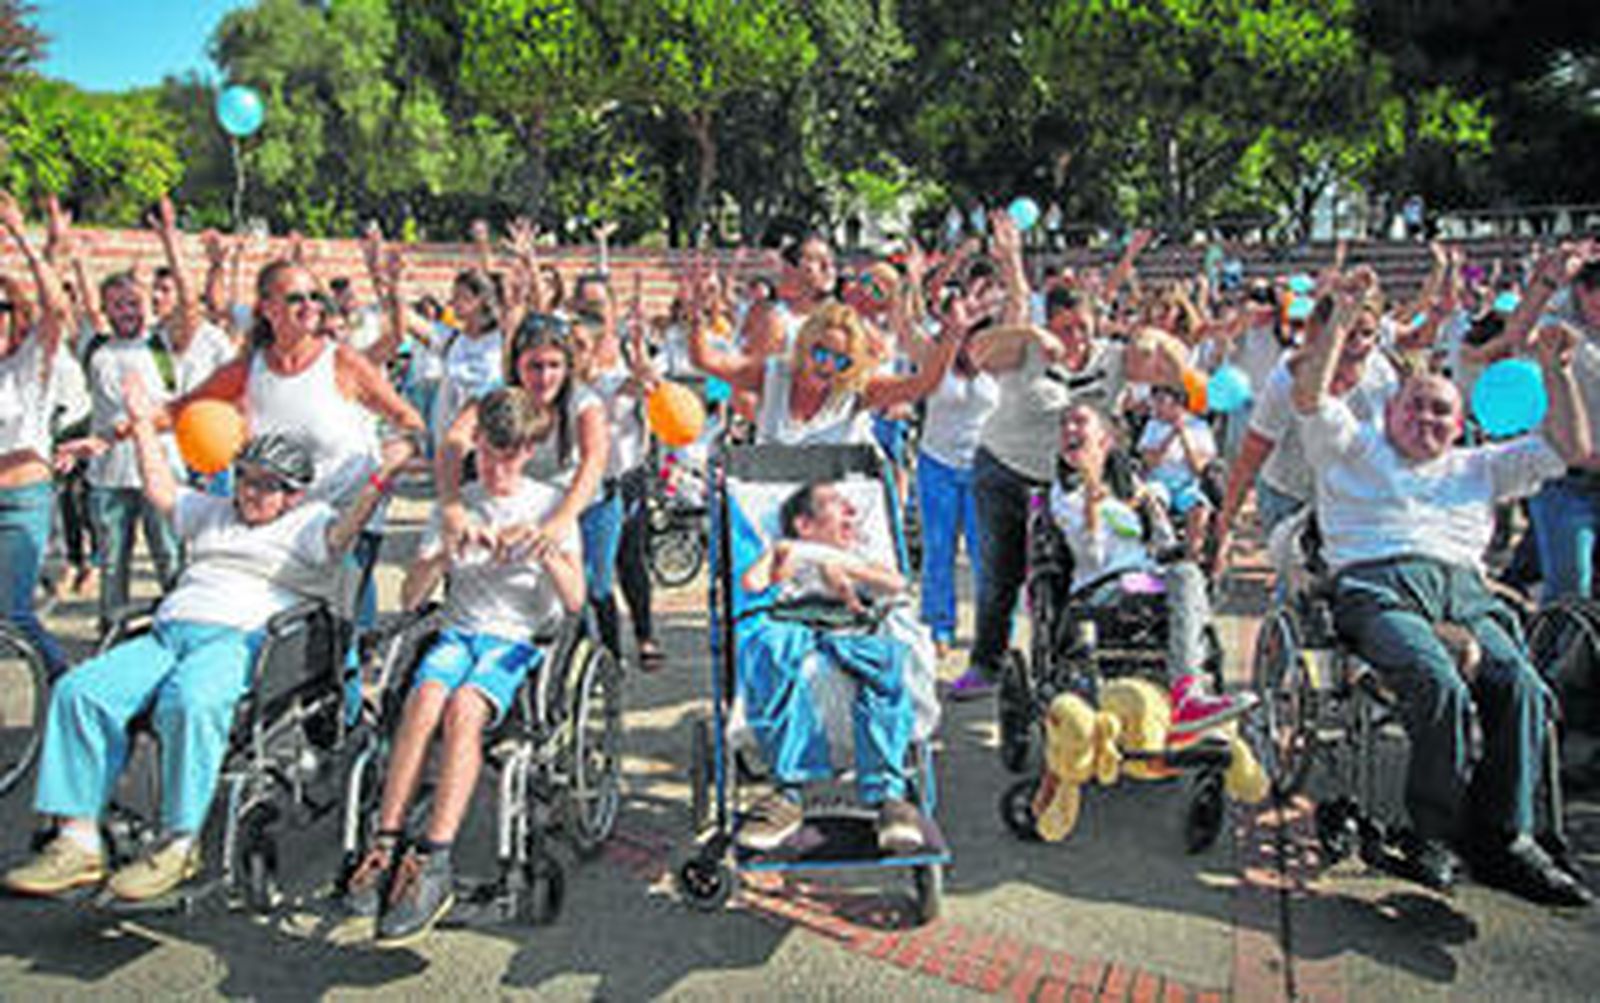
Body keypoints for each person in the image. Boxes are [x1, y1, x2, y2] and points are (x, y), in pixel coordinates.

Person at [2, 372, 399, 902]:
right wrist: (144, 423)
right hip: (169, 634)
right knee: (81, 691)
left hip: (242, 642)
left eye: (267, 484)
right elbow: (160, 487)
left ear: (293, 493)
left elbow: (341, 535)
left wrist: (380, 480)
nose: (252, 492)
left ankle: (178, 841)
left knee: (188, 699)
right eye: (246, 479)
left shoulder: (307, 522)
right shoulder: (212, 512)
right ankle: (76, 841)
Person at [1292, 275, 1593, 907]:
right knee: (1437, 681)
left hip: (1465, 594)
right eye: (1416, 405)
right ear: (1391, 408)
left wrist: (1558, 370)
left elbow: (1573, 448)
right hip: (1379, 589)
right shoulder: (1355, 447)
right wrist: (1342, 321)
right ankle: (1433, 833)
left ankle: (1507, 838)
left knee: (1522, 686)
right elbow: (1309, 397)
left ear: (1460, 426)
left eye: (1441, 411)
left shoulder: (1479, 467)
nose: (1426, 418)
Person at [343, 388, 584, 946]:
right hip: (458, 631)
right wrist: (446, 552)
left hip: (517, 639)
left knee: (464, 707)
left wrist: (545, 548)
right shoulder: (458, 503)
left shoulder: (550, 503)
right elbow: (410, 595)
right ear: (476, 447)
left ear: (529, 451)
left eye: (512, 455)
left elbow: (574, 602)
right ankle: (386, 841)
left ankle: (435, 856)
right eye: (491, 455)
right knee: (424, 696)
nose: (500, 468)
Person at [953, 221, 1190, 700]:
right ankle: (986, 663)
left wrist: (1153, 340)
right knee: (1001, 573)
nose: (1077, 339)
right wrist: (1030, 334)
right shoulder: (1029, 351)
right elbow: (976, 354)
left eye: (1083, 328)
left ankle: (1066, 664)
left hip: (1070, 483)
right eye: (1066, 329)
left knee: (1064, 570)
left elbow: (1179, 369)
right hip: (1005, 469)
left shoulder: (1112, 358)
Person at [736, 480, 926, 854]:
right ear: (806, 524)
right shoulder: (787, 547)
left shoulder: (856, 555)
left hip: (848, 628)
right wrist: (781, 563)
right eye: (839, 505)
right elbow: (751, 583)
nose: (852, 514)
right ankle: (790, 791)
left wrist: (844, 569)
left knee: (889, 663)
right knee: (769, 653)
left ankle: (888, 796)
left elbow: (897, 583)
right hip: (793, 623)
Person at [1051, 404, 1254, 733]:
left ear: (1105, 440)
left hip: (1147, 578)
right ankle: (1185, 698)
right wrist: (1091, 496)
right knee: (1183, 578)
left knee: (1189, 573)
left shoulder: (1129, 484)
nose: (1069, 429)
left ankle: (1190, 692)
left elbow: (1162, 543)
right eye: (1064, 425)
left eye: (1079, 421)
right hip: (1100, 589)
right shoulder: (1065, 493)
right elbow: (1093, 556)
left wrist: (1152, 510)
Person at [685, 256, 962, 449]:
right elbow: (705, 360)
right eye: (820, 354)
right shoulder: (773, 373)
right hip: (770, 496)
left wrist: (954, 334)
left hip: (835, 498)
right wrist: (697, 314)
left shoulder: (856, 384)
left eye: (840, 361)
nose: (827, 366)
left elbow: (925, 383)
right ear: (804, 347)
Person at [0, 190, 72, 673]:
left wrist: (20, 236)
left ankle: (65, 684)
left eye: (1, 308)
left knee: (14, 615)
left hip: (22, 501)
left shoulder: (30, 365)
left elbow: (57, 309)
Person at [1136, 384, 1218, 563]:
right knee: (1150, 498)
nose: (1155, 407)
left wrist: (1184, 435)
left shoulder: (1199, 427)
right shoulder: (1152, 426)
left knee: (1199, 507)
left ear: (1178, 405)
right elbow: (1150, 462)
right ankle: (1167, 545)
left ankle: (1192, 557)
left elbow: (1198, 467)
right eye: (1154, 401)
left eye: (1161, 402)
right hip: (1159, 482)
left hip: (1187, 485)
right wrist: (1170, 436)